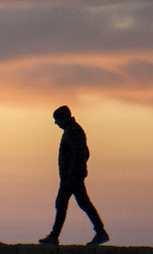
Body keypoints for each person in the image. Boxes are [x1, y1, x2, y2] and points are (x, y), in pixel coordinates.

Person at [39, 105, 109, 246]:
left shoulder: (73, 131)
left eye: (57, 120)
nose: (56, 123)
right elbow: (84, 153)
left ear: (63, 119)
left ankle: (100, 232)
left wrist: (73, 174)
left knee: (75, 203)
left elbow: (81, 153)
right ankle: (55, 235)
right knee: (67, 203)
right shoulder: (72, 130)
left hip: (72, 178)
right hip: (70, 177)